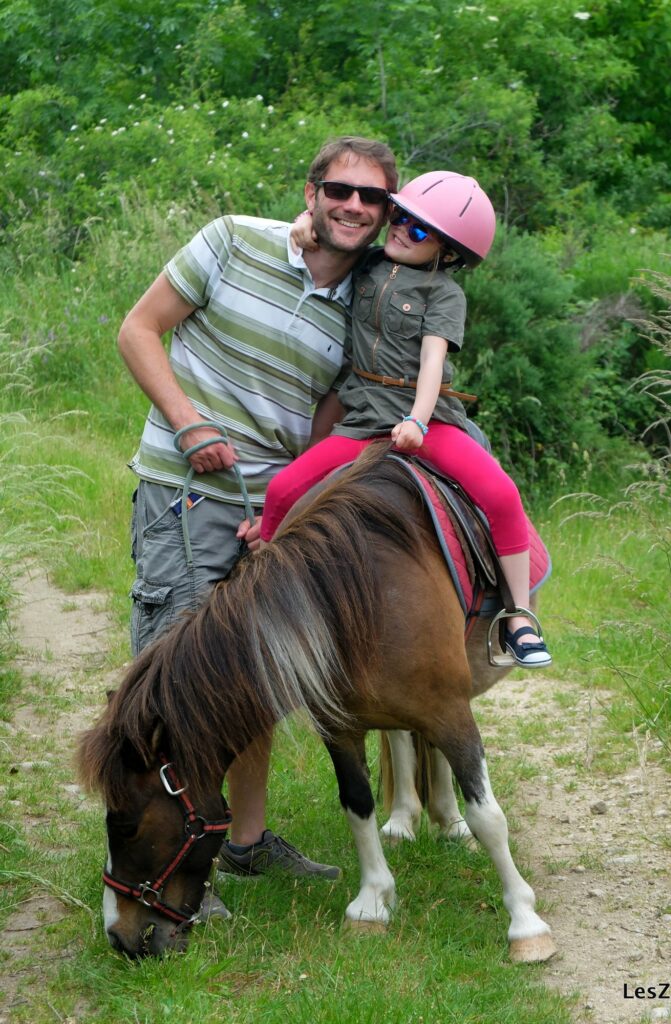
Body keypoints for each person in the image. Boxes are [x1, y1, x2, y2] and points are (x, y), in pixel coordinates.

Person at [118, 136, 398, 886]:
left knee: (254, 681)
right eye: (341, 190)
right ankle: (165, 868)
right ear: (311, 192)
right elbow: (137, 330)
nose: (354, 207)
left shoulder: (364, 306)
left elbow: (326, 426)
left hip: (267, 518)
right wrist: (188, 423)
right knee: (172, 686)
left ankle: (243, 844)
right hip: (186, 492)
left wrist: (290, 509)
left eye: (371, 198)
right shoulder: (233, 240)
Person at [260, 171, 552, 667]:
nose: (399, 230)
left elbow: (433, 364)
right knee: (282, 490)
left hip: (426, 418)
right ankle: (260, 593)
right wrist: (301, 222)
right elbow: (330, 240)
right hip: (363, 416)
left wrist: (417, 421)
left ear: (448, 251)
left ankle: (519, 616)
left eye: (418, 231)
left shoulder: (444, 294)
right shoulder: (369, 263)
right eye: (399, 217)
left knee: (502, 494)